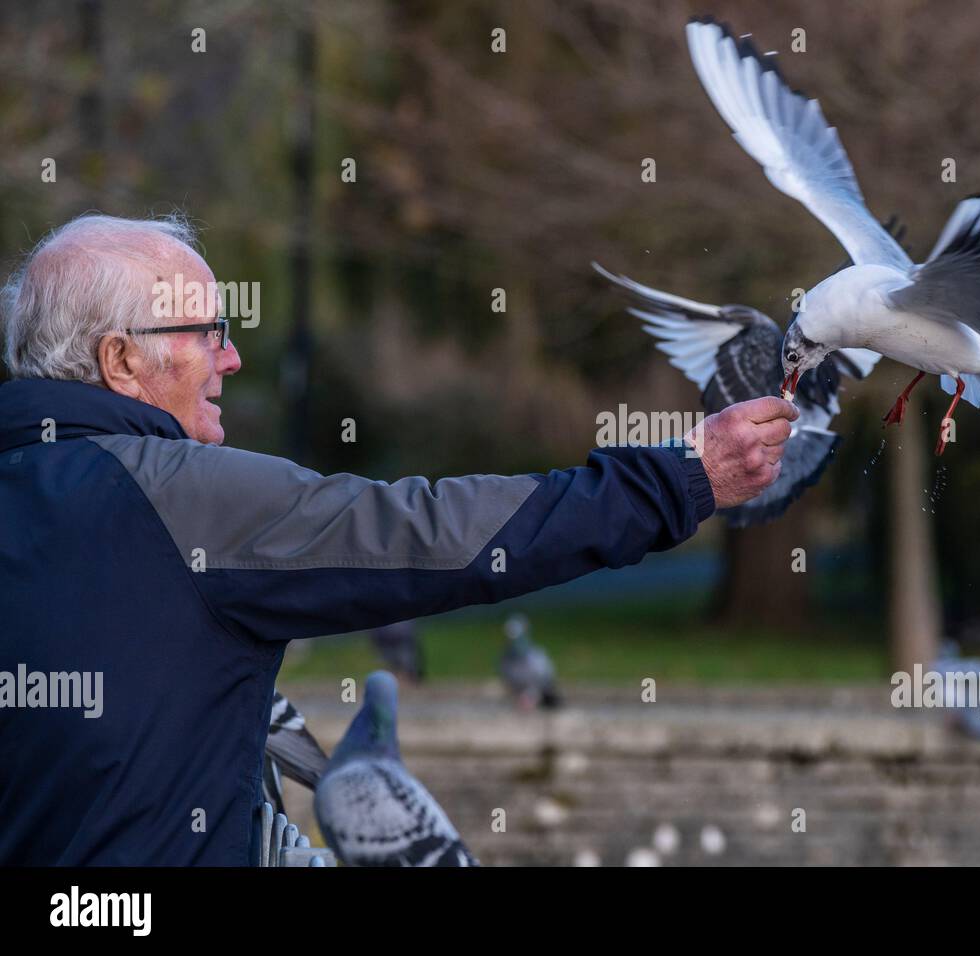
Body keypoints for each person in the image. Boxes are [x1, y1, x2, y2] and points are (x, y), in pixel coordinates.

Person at [0, 214, 798, 865]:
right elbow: (430, 536)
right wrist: (681, 479)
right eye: (207, 331)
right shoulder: (177, 494)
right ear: (120, 360)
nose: (232, 357)